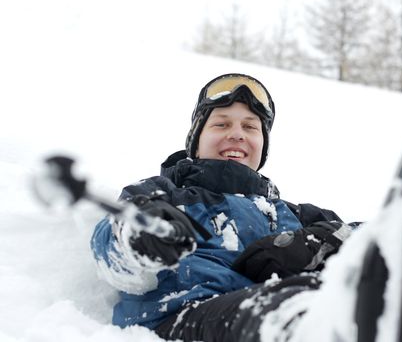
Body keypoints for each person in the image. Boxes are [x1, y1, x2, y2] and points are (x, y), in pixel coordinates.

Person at [90, 73, 360, 341]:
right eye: (221, 124)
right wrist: (142, 236)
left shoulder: (293, 215)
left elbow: (386, 235)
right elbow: (111, 241)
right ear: (195, 140)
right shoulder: (161, 195)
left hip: (275, 306)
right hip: (180, 320)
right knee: (307, 310)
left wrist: (320, 241)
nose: (237, 135)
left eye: (250, 127)